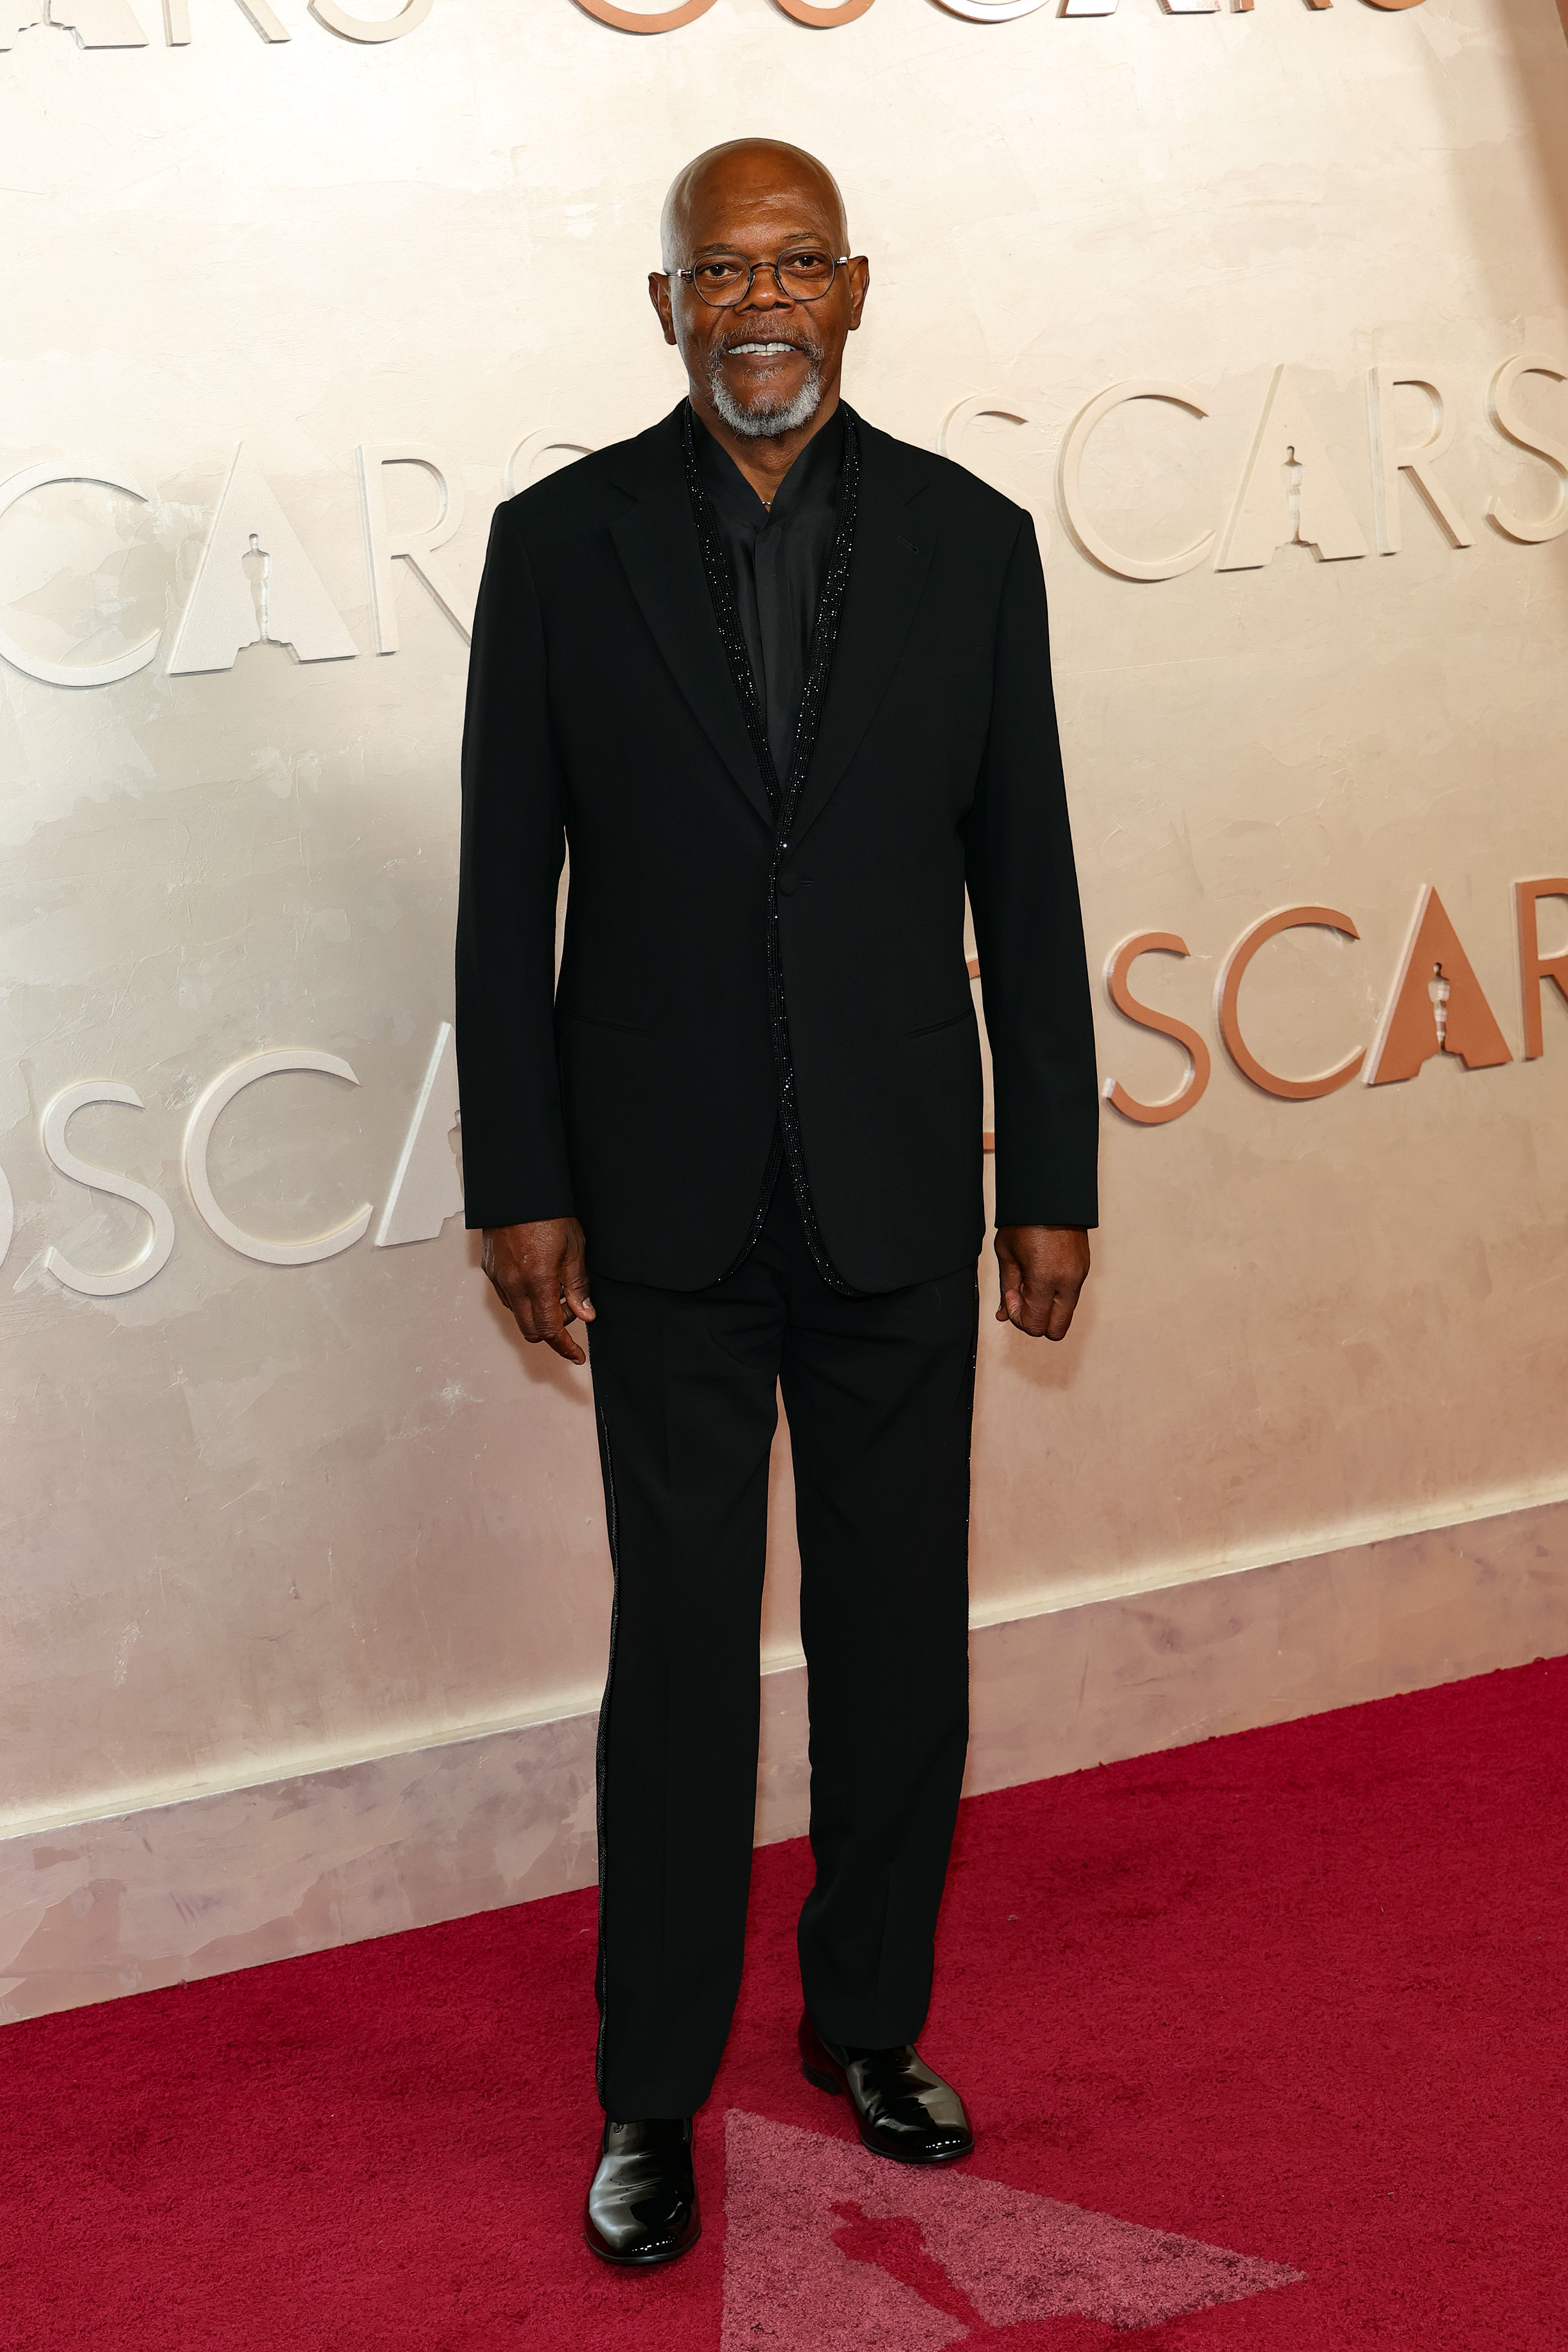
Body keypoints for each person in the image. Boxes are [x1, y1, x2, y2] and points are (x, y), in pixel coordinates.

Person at [455, 137, 1099, 2270]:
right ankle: (651, 2090)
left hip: (907, 1185)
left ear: (853, 290)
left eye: (797, 262)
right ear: (664, 307)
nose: (759, 299)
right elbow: (499, 897)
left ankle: (867, 2025)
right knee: (681, 1662)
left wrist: (1057, 1174)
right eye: (719, 269)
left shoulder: (973, 542)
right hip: (658, 1201)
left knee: (903, 1645)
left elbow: (1031, 882)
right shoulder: (556, 547)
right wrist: (522, 1183)